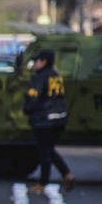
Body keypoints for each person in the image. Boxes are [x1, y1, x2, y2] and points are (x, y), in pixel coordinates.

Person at [24, 49, 74, 194]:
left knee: (44, 151)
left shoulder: (39, 77)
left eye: (36, 61)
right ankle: (66, 175)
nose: (34, 64)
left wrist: (27, 110)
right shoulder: (56, 76)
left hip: (44, 120)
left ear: (43, 62)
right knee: (49, 150)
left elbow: (32, 99)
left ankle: (44, 182)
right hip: (59, 119)